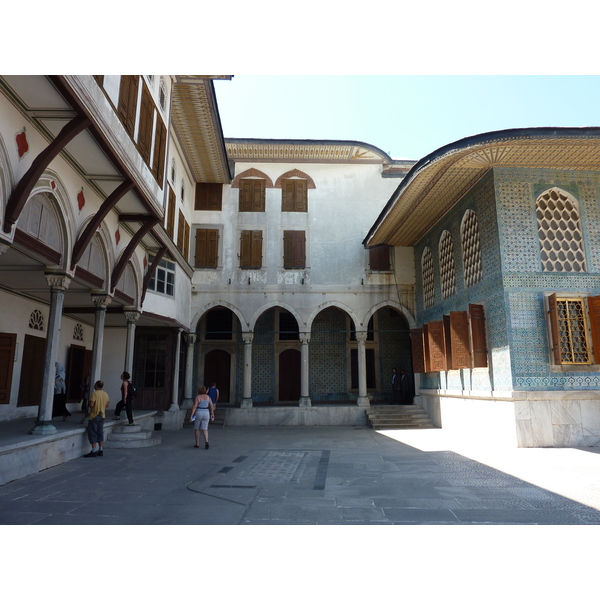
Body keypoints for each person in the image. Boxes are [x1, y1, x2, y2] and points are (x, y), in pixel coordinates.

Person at [83, 380, 110, 457]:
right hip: (102, 415)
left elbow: (91, 404)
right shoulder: (105, 394)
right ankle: (101, 449)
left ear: (96, 386)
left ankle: (94, 450)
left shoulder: (94, 394)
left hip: (94, 415)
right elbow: (107, 404)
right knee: (100, 431)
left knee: (93, 432)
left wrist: (89, 404)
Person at [190, 385, 214, 449]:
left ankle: (197, 443)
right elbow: (211, 406)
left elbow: (194, 406)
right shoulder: (208, 397)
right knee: (205, 428)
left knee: (197, 428)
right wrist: (212, 413)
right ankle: (206, 441)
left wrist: (191, 415)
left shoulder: (197, 397)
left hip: (199, 412)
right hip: (206, 412)